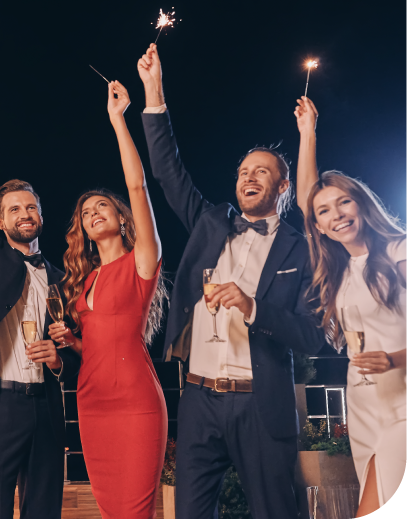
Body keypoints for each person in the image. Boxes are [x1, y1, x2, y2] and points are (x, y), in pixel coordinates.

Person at [137, 43, 324, 519]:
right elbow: (168, 172)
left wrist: (253, 307)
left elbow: (312, 336)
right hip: (199, 400)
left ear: (283, 186)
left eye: (262, 171)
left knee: (275, 511)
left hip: (261, 403)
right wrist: (154, 92)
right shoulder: (210, 221)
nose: (249, 177)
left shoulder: (300, 248)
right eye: (243, 171)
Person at [0, 74, 81, 519]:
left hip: (47, 406)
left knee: (44, 510)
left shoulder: (64, 278)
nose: (24, 214)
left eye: (30, 207)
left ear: (41, 215)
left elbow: (82, 348)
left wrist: (60, 360)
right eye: (14, 209)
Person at [49, 80, 168, 518]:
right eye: (85, 212)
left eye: (101, 206)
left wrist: (118, 120)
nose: (93, 213)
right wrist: (72, 342)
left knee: (135, 511)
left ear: (120, 216)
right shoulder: (84, 281)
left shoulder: (142, 261)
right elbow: (97, 348)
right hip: (91, 402)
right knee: (110, 510)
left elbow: (138, 187)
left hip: (136, 403)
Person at [295, 97, 407, 515]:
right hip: (361, 406)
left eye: (344, 202)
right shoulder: (338, 271)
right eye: (324, 211)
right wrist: (307, 133)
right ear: (319, 227)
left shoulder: (398, 251)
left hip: (403, 405)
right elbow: (307, 199)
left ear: (361, 203)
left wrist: (394, 359)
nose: (336, 215)